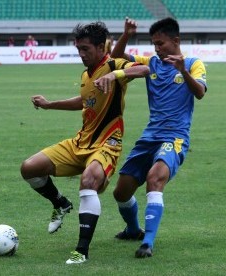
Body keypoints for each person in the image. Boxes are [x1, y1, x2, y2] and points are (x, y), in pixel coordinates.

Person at [20, 21, 150, 264]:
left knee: (88, 180)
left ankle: (81, 251)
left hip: (107, 144)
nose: (81, 54)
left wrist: (115, 75)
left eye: (85, 49)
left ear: (101, 47)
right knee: (29, 168)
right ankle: (60, 203)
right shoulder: (86, 73)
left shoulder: (113, 64)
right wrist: (50, 104)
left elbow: (144, 70)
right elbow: (84, 101)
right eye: (78, 48)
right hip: (80, 142)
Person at [110, 17, 207, 258]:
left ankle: (147, 243)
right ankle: (134, 230)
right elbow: (115, 59)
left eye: (160, 43)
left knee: (155, 178)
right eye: (154, 44)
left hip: (174, 137)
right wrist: (126, 35)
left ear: (176, 41)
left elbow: (200, 93)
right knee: (121, 192)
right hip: (149, 136)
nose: (157, 49)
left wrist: (182, 70)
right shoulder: (151, 62)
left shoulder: (194, 64)